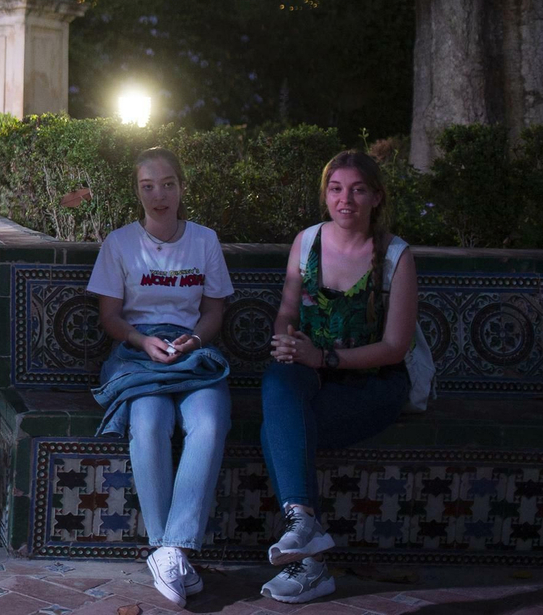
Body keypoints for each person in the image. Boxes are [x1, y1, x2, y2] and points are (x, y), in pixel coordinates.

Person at [259, 151, 420, 604]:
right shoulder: (307, 241)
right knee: (278, 382)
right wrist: (285, 342)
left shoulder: (395, 256)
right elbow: (288, 311)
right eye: (336, 189)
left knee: (277, 429)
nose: (345, 199)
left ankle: (311, 565)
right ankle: (305, 528)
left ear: (376, 196)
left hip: (374, 383)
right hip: (309, 370)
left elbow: (395, 348)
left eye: (357, 189)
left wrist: (323, 357)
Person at [87, 147, 234, 608]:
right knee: (148, 422)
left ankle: (170, 549)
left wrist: (194, 338)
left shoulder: (205, 241)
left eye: (167, 184)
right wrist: (139, 339)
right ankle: (170, 552)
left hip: (191, 350)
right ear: (137, 191)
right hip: (139, 351)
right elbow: (109, 315)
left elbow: (214, 310)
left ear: (181, 187)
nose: (158, 194)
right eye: (148, 185)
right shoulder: (120, 243)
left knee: (209, 422)